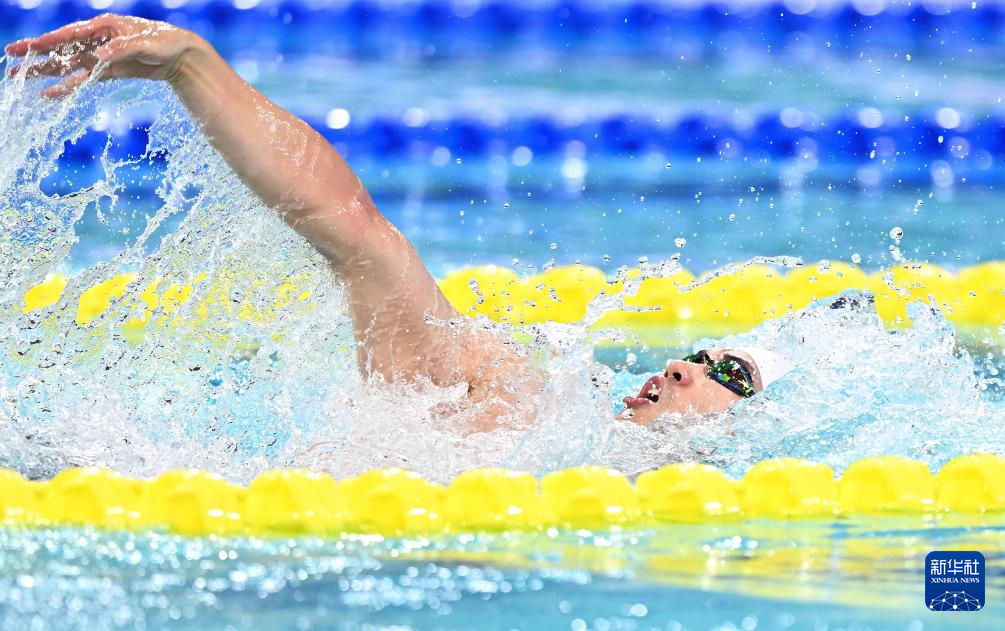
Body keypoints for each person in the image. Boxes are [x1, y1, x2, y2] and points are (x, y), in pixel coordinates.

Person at [5, 15, 791, 432]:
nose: (680, 366)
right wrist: (192, 66)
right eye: (697, 354)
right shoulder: (523, 399)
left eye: (726, 374)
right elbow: (355, 234)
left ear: (745, 430)